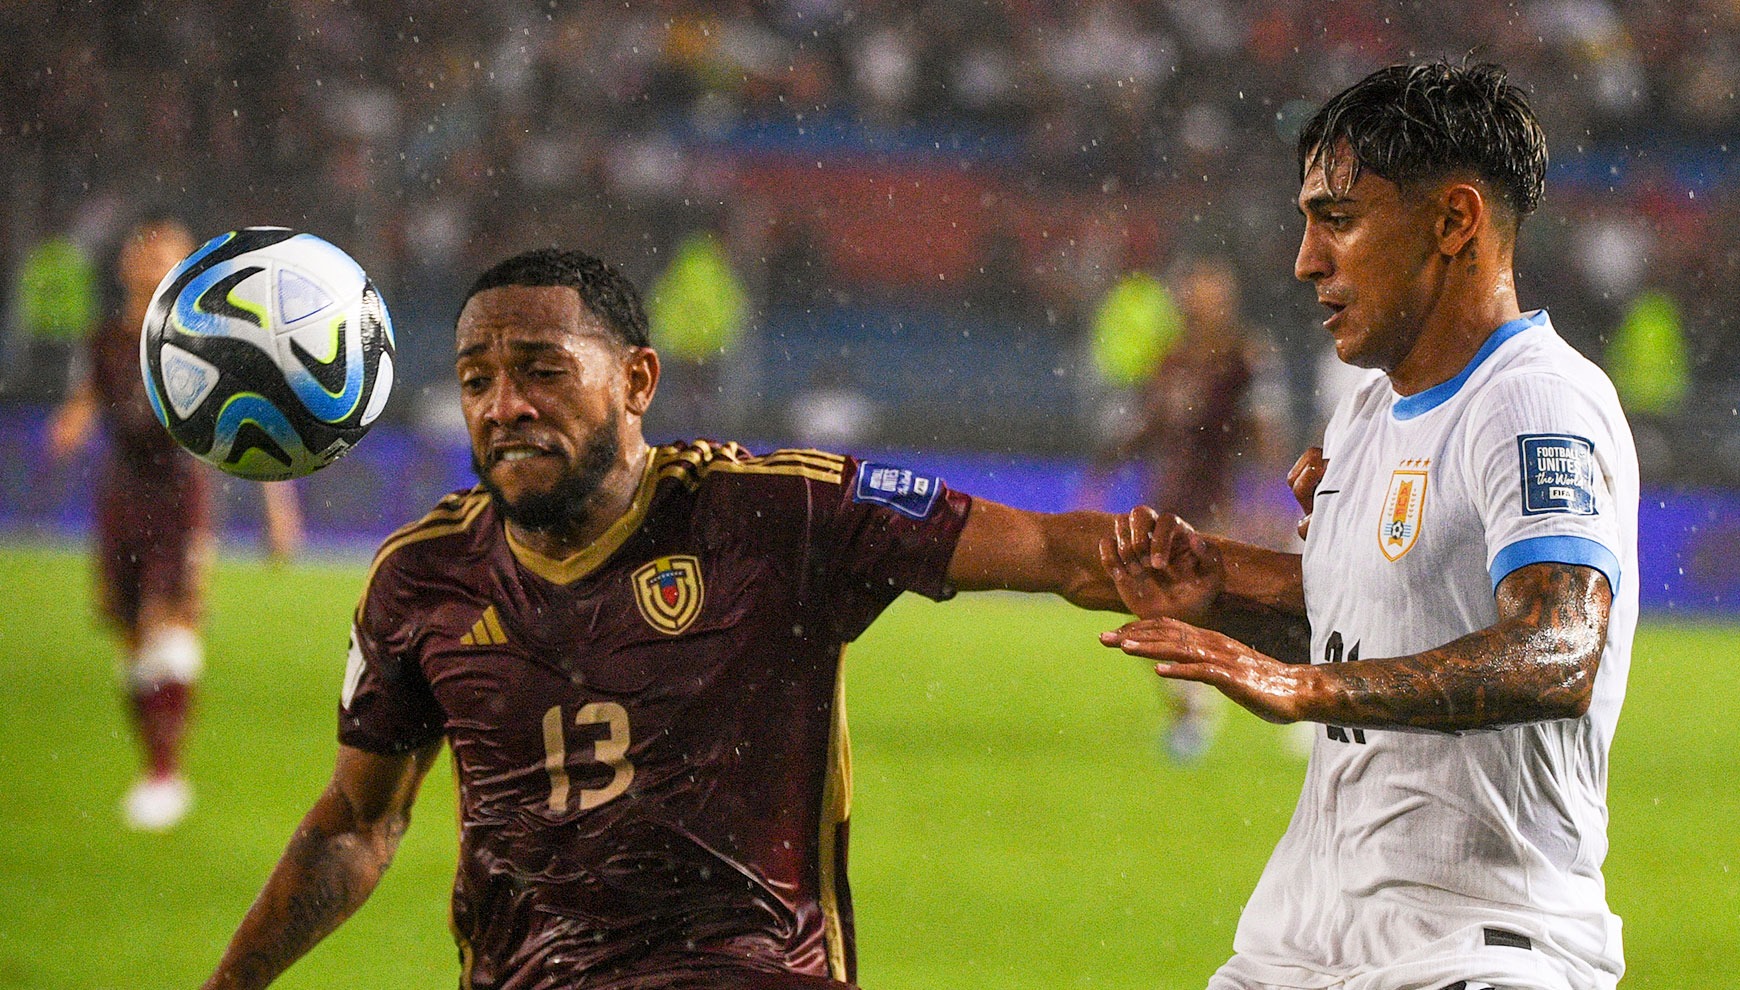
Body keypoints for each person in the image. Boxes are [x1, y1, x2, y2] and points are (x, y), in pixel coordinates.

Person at [198, 248, 1132, 990]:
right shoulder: (422, 580)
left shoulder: (775, 514)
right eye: (475, 379)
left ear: (638, 380)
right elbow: (355, 825)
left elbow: (1056, 551)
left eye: (542, 371)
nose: (503, 406)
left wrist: (1274, 599)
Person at [1100, 62, 1637, 989]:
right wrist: (1222, 597)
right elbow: (1367, 632)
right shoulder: (1365, 414)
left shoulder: (1535, 402)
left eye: (1338, 220)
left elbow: (1558, 650)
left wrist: (1312, 690)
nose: (1306, 258)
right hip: (1302, 945)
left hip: (1477, 949)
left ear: (1455, 221)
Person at [47, 215, 304, 832]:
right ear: (126, 262)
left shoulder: (205, 339)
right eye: (146, 246)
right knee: (133, 637)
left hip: (178, 499)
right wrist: (71, 424)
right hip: (121, 499)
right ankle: (153, 767)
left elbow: (251, 421)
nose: (152, 257)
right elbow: (83, 406)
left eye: (167, 249)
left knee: (171, 622)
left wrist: (278, 507)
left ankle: (166, 772)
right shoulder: (107, 338)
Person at [1086, 255, 1270, 762]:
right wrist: (1104, 471)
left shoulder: (1244, 360)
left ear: (1224, 302)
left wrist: (1260, 502)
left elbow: (1263, 433)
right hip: (1168, 505)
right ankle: (1192, 708)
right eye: (1190, 295)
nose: (1195, 305)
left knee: (1217, 615)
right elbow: (1147, 425)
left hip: (1217, 507)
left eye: (1205, 295)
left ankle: (1224, 705)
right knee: (1151, 613)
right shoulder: (1171, 360)